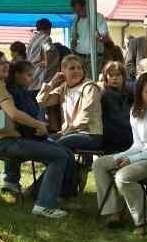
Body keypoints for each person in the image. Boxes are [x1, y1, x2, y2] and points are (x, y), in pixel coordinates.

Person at [0, 50, 70, 218]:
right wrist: (38, 125)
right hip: (5, 143)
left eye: (6, 62)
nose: (6, 65)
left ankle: (34, 191)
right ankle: (44, 204)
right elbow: (14, 113)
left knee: (59, 153)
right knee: (60, 156)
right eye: (0, 63)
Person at [93, 73, 147, 235]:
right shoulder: (135, 111)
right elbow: (138, 145)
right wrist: (122, 156)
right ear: (140, 92)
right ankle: (116, 211)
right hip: (143, 157)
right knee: (99, 164)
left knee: (122, 176)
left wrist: (131, 159)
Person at [6, 60, 78, 198]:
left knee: (67, 153)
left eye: (32, 75)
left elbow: (37, 105)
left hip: (33, 134)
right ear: (16, 75)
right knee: (63, 155)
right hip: (27, 137)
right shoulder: (16, 93)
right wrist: (39, 127)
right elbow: (25, 117)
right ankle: (56, 194)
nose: (31, 78)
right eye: (28, 75)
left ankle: (61, 193)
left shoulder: (23, 92)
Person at [36, 54, 104, 188]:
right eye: (72, 68)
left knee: (58, 146)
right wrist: (51, 84)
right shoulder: (63, 88)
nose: (77, 71)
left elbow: (85, 116)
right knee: (44, 144)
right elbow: (41, 101)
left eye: (79, 68)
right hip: (69, 133)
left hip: (90, 134)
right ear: (63, 73)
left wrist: (66, 131)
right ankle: (76, 170)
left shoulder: (90, 87)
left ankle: (41, 189)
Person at [69, 0, 109, 77]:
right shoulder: (76, 20)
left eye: (79, 10)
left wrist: (99, 38)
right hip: (79, 57)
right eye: (76, 11)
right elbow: (74, 39)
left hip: (94, 57)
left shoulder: (97, 17)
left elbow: (105, 38)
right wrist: (72, 53)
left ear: (85, 7)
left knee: (92, 81)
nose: (78, 13)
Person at [100, 61, 133, 153]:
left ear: (123, 77)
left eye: (118, 75)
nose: (114, 78)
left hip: (122, 131)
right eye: (111, 75)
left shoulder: (126, 93)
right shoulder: (107, 95)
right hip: (114, 135)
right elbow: (118, 118)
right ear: (106, 78)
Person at [26, 18, 59, 97]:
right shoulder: (46, 38)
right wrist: (47, 64)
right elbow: (48, 50)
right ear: (49, 29)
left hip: (31, 72)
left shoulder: (32, 39)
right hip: (40, 74)